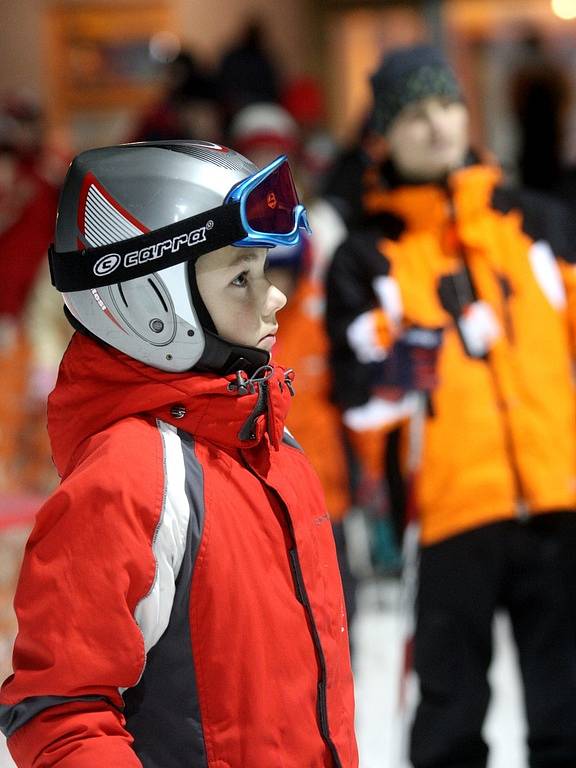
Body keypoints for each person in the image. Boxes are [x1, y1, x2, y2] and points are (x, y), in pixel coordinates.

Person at [0, 140, 358, 767]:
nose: (274, 297)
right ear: (152, 305)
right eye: (241, 278)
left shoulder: (271, 445)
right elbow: (62, 714)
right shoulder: (129, 478)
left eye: (264, 271)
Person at [325, 43, 576, 768]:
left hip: (557, 501)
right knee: (449, 719)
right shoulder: (366, 255)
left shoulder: (538, 223)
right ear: (382, 136)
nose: (436, 126)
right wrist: (417, 350)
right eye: (414, 114)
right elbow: (357, 397)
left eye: (447, 104)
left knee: (568, 711)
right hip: (446, 515)